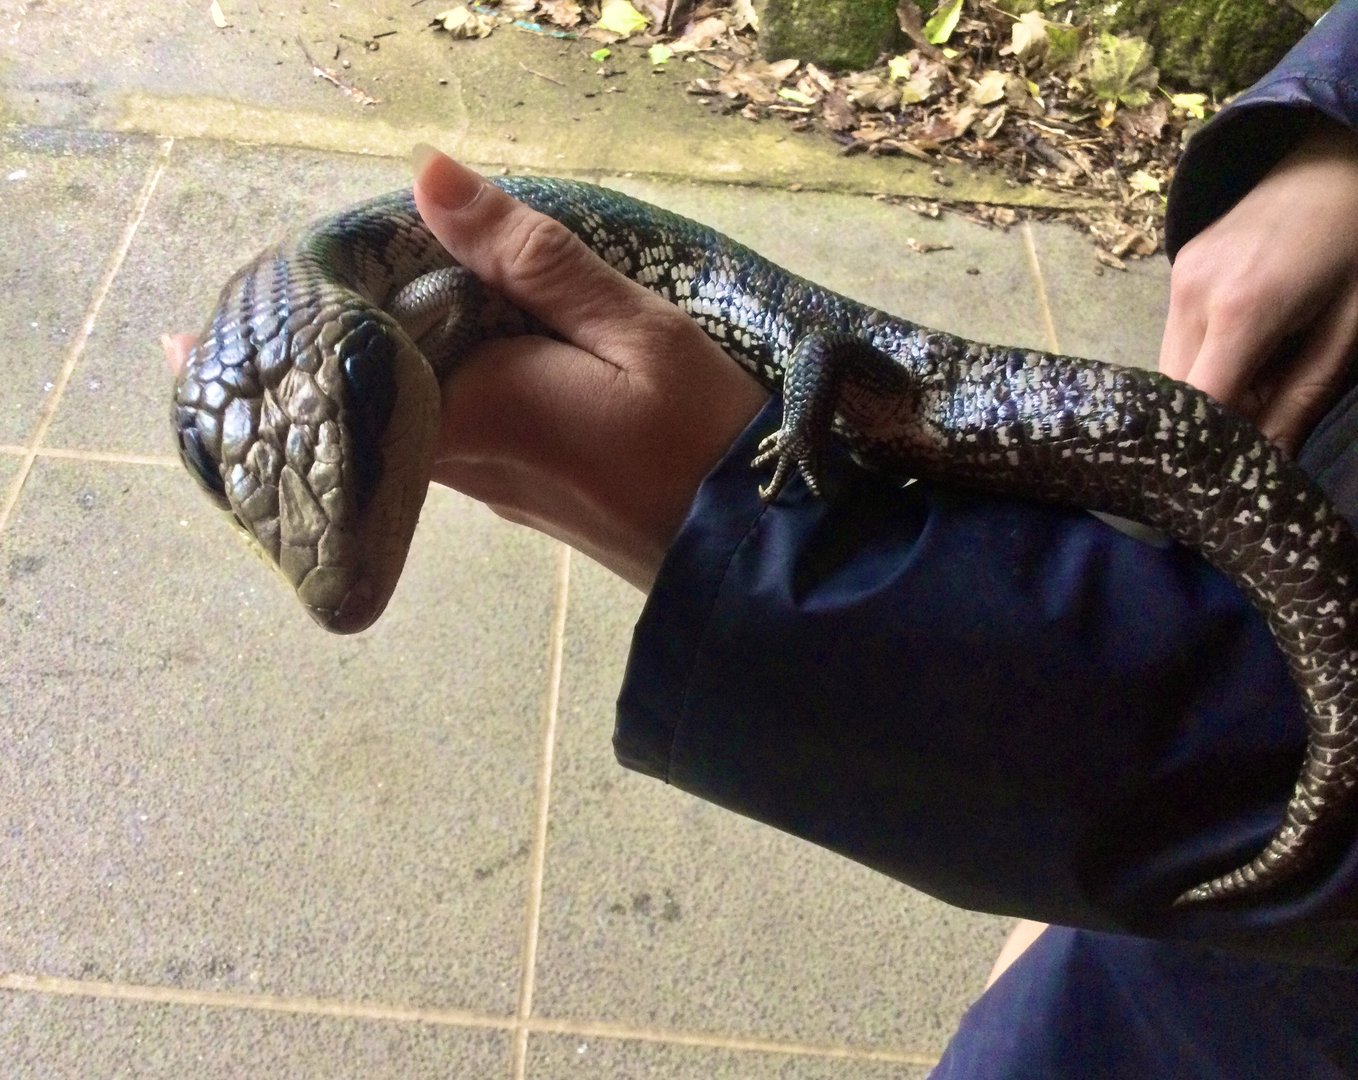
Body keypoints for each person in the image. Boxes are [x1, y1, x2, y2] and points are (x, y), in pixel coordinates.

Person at [165, 4, 1358, 1073]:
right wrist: (1337, 119)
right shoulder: (372, 316)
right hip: (1146, 957)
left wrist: (747, 536)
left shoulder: (402, 304)